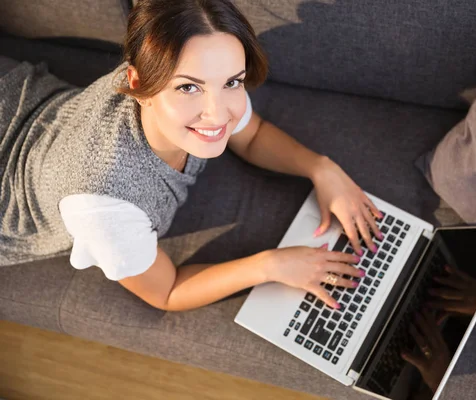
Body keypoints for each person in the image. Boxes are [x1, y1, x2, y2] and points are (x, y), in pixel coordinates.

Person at [0, 0, 384, 312]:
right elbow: (165, 291)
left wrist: (321, 168)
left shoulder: (180, 64)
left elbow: (251, 137)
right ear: (138, 84)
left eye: (232, 82)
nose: (219, 114)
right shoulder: (101, 204)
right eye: (188, 88)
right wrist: (272, 264)